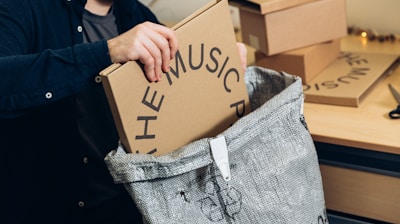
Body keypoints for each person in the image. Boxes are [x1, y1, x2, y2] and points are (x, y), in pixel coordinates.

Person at [0, 0, 247, 224]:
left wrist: (222, 68)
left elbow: (177, 107)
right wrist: (107, 52)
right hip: (49, 210)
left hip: (126, 209)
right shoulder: (21, 8)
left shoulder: (137, 15)